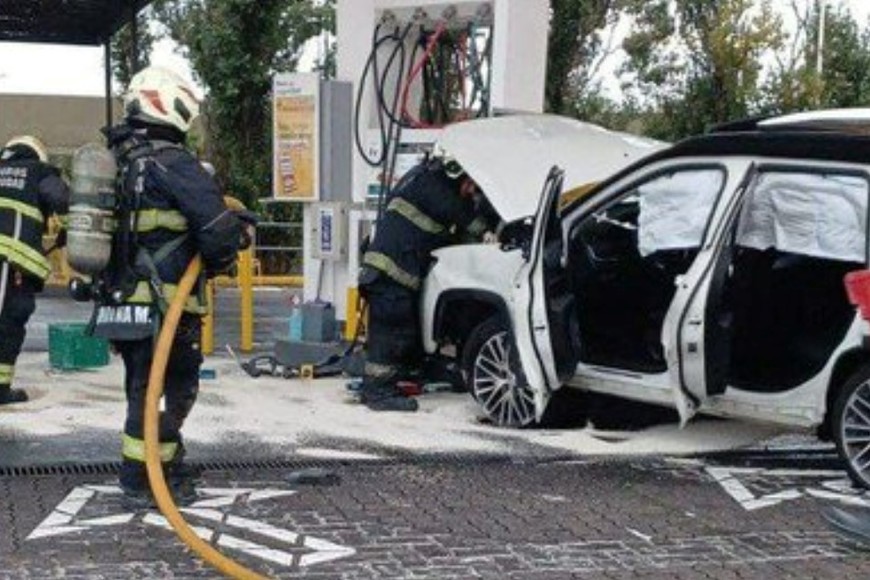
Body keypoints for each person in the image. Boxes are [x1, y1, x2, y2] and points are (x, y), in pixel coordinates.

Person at [99, 66, 250, 505]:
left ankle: (159, 462)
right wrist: (235, 240)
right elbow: (217, 231)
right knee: (173, 389)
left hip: (126, 301)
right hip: (166, 303)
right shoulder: (173, 162)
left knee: (145, 387)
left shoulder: (125, 160)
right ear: (170, 104)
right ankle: (145, 476)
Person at [358, 153, 498, 412]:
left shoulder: (419, 179)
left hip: (387, 274)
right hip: (391, 276)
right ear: (458, 176)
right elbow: (461, 214)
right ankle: (378, 392)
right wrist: (490, 233)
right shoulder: (437, 189)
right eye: (471, 186)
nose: (471, 193)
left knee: (402, 334)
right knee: (393, 335)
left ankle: (391, 382)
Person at [0, 136, 70, 405]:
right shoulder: (39, 171)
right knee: (8, 323)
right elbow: (62, 200)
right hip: (10, 264)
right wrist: (66, 228)